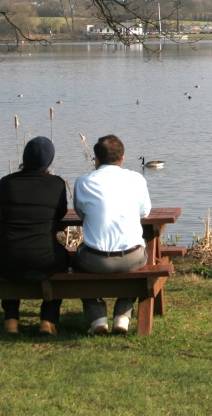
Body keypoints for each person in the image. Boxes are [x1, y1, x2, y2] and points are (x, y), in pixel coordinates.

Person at [0, 136, 70, 336]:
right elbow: (60, 216)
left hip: (5, 257)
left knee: (10, 254)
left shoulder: (6, 183)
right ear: (49, 161)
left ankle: (11, 319)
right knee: (65, 259)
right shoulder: (57, 185)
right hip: (45, 259)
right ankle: (48, 320)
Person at [73, 134, 152, 335]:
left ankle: (98, 318)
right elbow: (145, 212)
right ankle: (123, 316)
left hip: (95, 259)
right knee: (142, 261)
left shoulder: (83, 182)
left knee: (74, 262)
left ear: (96, 159)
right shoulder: (137, 179)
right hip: (132, 256)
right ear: (123, 158)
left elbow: (81, 212)